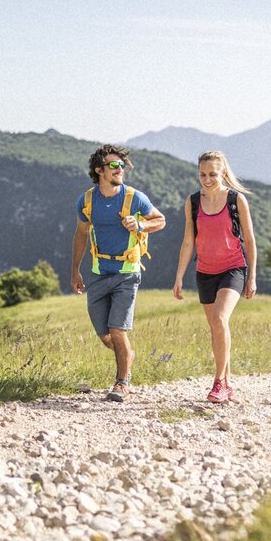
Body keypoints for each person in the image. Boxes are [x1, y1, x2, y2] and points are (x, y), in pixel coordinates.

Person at [71, 144, 166, 402]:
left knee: (117, 329)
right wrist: (75, 270)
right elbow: (80, 234)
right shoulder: (87, 201)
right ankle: (127, 356)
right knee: (105, 335)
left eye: (122, 165)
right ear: (99, 170)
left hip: (127, 272)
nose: (120, 169)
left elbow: (160, 220)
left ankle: (122, 383)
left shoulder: (134, 197)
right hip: (98, 273)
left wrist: (141, 224)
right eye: (114, 165)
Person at [172, 150, 257, 404]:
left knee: (220, 319)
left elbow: (250, 240)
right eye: (202, 174)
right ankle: (227, 385)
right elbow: (189, 241)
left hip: (233, 269)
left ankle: (218, 383)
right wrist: (179, 277)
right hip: (205, 272)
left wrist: (252, 276)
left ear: (222, 173)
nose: (207, 179)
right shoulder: (193, 202)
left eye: (212, 174)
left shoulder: (236, 200)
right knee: (216, 329)